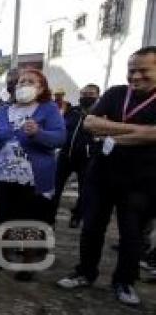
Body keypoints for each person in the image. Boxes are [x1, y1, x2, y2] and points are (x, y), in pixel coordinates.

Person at [57, 47, 156, 305]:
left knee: (131, 234)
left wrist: (111, 131)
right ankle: (85, 272)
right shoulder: (115, 93)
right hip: (102, 174)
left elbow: (153, 136)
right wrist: (139, 131)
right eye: (131, 70)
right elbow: (90, 123)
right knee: (91, 227)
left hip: (141, 181)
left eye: (143, 70)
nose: (135, 76)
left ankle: (124, 282)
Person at [0, 68, 65, 282]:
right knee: (2, 216)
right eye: (20, 82)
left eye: (30, 81)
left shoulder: (48, 109)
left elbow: (60, 138)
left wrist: (39, 133)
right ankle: (3, 255)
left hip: (33, 177)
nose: (23, 85)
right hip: (0, 174)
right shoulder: (2, 111)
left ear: (41, 87)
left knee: (30, 218)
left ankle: (28, 260)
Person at [50, 83, 100, 228]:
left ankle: (77, 216)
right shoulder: (72, 111)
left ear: (98, 96)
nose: (86, 97)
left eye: (91, 94)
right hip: (66, 156)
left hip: (87, 159)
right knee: (55, 188)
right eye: (84, 94)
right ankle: (50, 218)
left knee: (84, 190)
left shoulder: (100, 114)